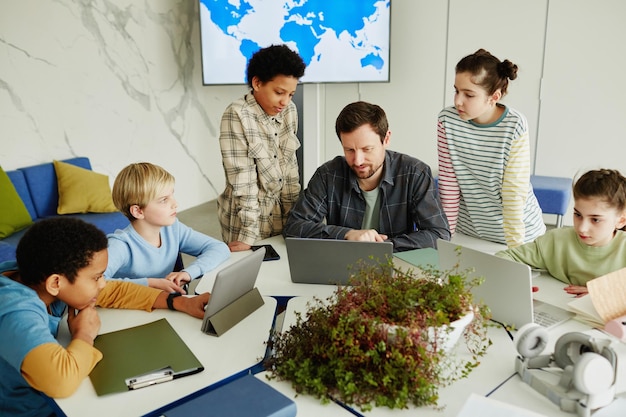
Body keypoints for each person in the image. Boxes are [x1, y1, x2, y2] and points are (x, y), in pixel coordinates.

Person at [0, 217, 211, 417]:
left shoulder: (37, 276)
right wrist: (84, 335)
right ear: (55, 283)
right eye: (97, 277)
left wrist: (179, 302)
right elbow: (60, 382)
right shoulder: (15, 312)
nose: (102, 283)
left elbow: (114, 291)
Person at [284, 101, 450, 252]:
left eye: (367, 149)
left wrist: (385, 246)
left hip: (397, 266)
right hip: (343, 266)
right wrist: (347, 235)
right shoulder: (328, 175)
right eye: (349, 150)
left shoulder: (415, 173)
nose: (358, 160)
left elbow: (439, 234)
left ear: (386, 139)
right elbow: (294, 227)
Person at [437, 48, 546, 248]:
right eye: (456, 90)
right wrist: (446, 240)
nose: (457, 101)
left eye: (469, 95)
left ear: (494, 97)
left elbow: (514, 192)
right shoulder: (447, 120)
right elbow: (449, 185)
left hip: (519, 236)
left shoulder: (514, 125)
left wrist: (516, 250)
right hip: (469, 233)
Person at [217, 44, 306, 252]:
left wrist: (295, 220)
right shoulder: (237, 114)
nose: (285, 101)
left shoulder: (290, 111)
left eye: (291, 94)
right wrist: (249, 234)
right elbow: (243, 180)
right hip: (246, 222)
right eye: (279, 92)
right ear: (257, 83)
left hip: (283, 218)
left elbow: (291, 171)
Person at [496, 169, 626, 296]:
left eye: (595, 219)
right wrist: (517, 283)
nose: (582, 228)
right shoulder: (555, 240)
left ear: (621, 221)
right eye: (578, 215)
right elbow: (502, 258)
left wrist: (604, 291)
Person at [105, 162, 229, 294]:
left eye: (172, 195)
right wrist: (149, 283)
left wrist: (188, 273)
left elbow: (219, 248)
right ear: (138, 211)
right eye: (164, 200)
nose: (175, 204)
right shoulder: (120, 245)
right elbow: (93, 283)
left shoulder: (173, 229)